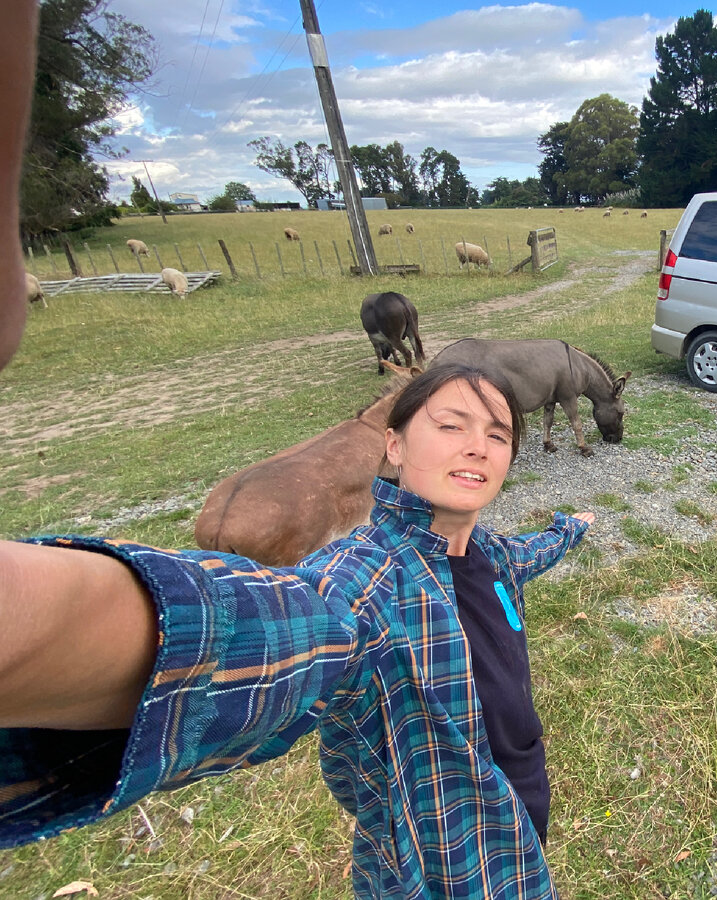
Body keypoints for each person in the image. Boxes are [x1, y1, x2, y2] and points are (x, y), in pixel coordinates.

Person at [0, 6, 594, 894]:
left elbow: (525, 554)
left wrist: (574, 526)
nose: (479, 443)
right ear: (389, 448)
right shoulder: (363, 587)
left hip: (521, 829)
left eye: (498, 432)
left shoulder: (489, 552)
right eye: (450, 424)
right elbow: (251, 638)